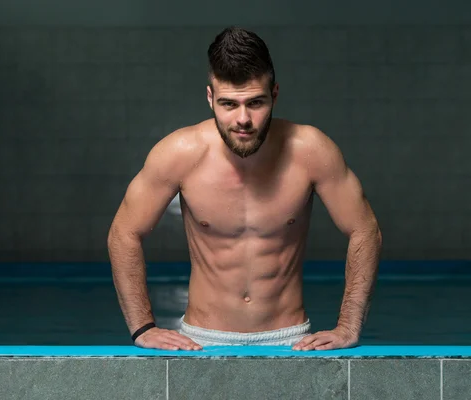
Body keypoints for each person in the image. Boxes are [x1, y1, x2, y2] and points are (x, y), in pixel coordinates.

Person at [107, 26, 382, 351]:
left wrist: (349, 325)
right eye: (228, 104)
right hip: (201, 340)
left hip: (290, 339)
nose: (243, 119)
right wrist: (143, 328)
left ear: (275, 94)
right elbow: (124, 232)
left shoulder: (310, 150)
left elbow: (365, 229)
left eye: (255, 103)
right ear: (210, 97)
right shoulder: (180, 152)